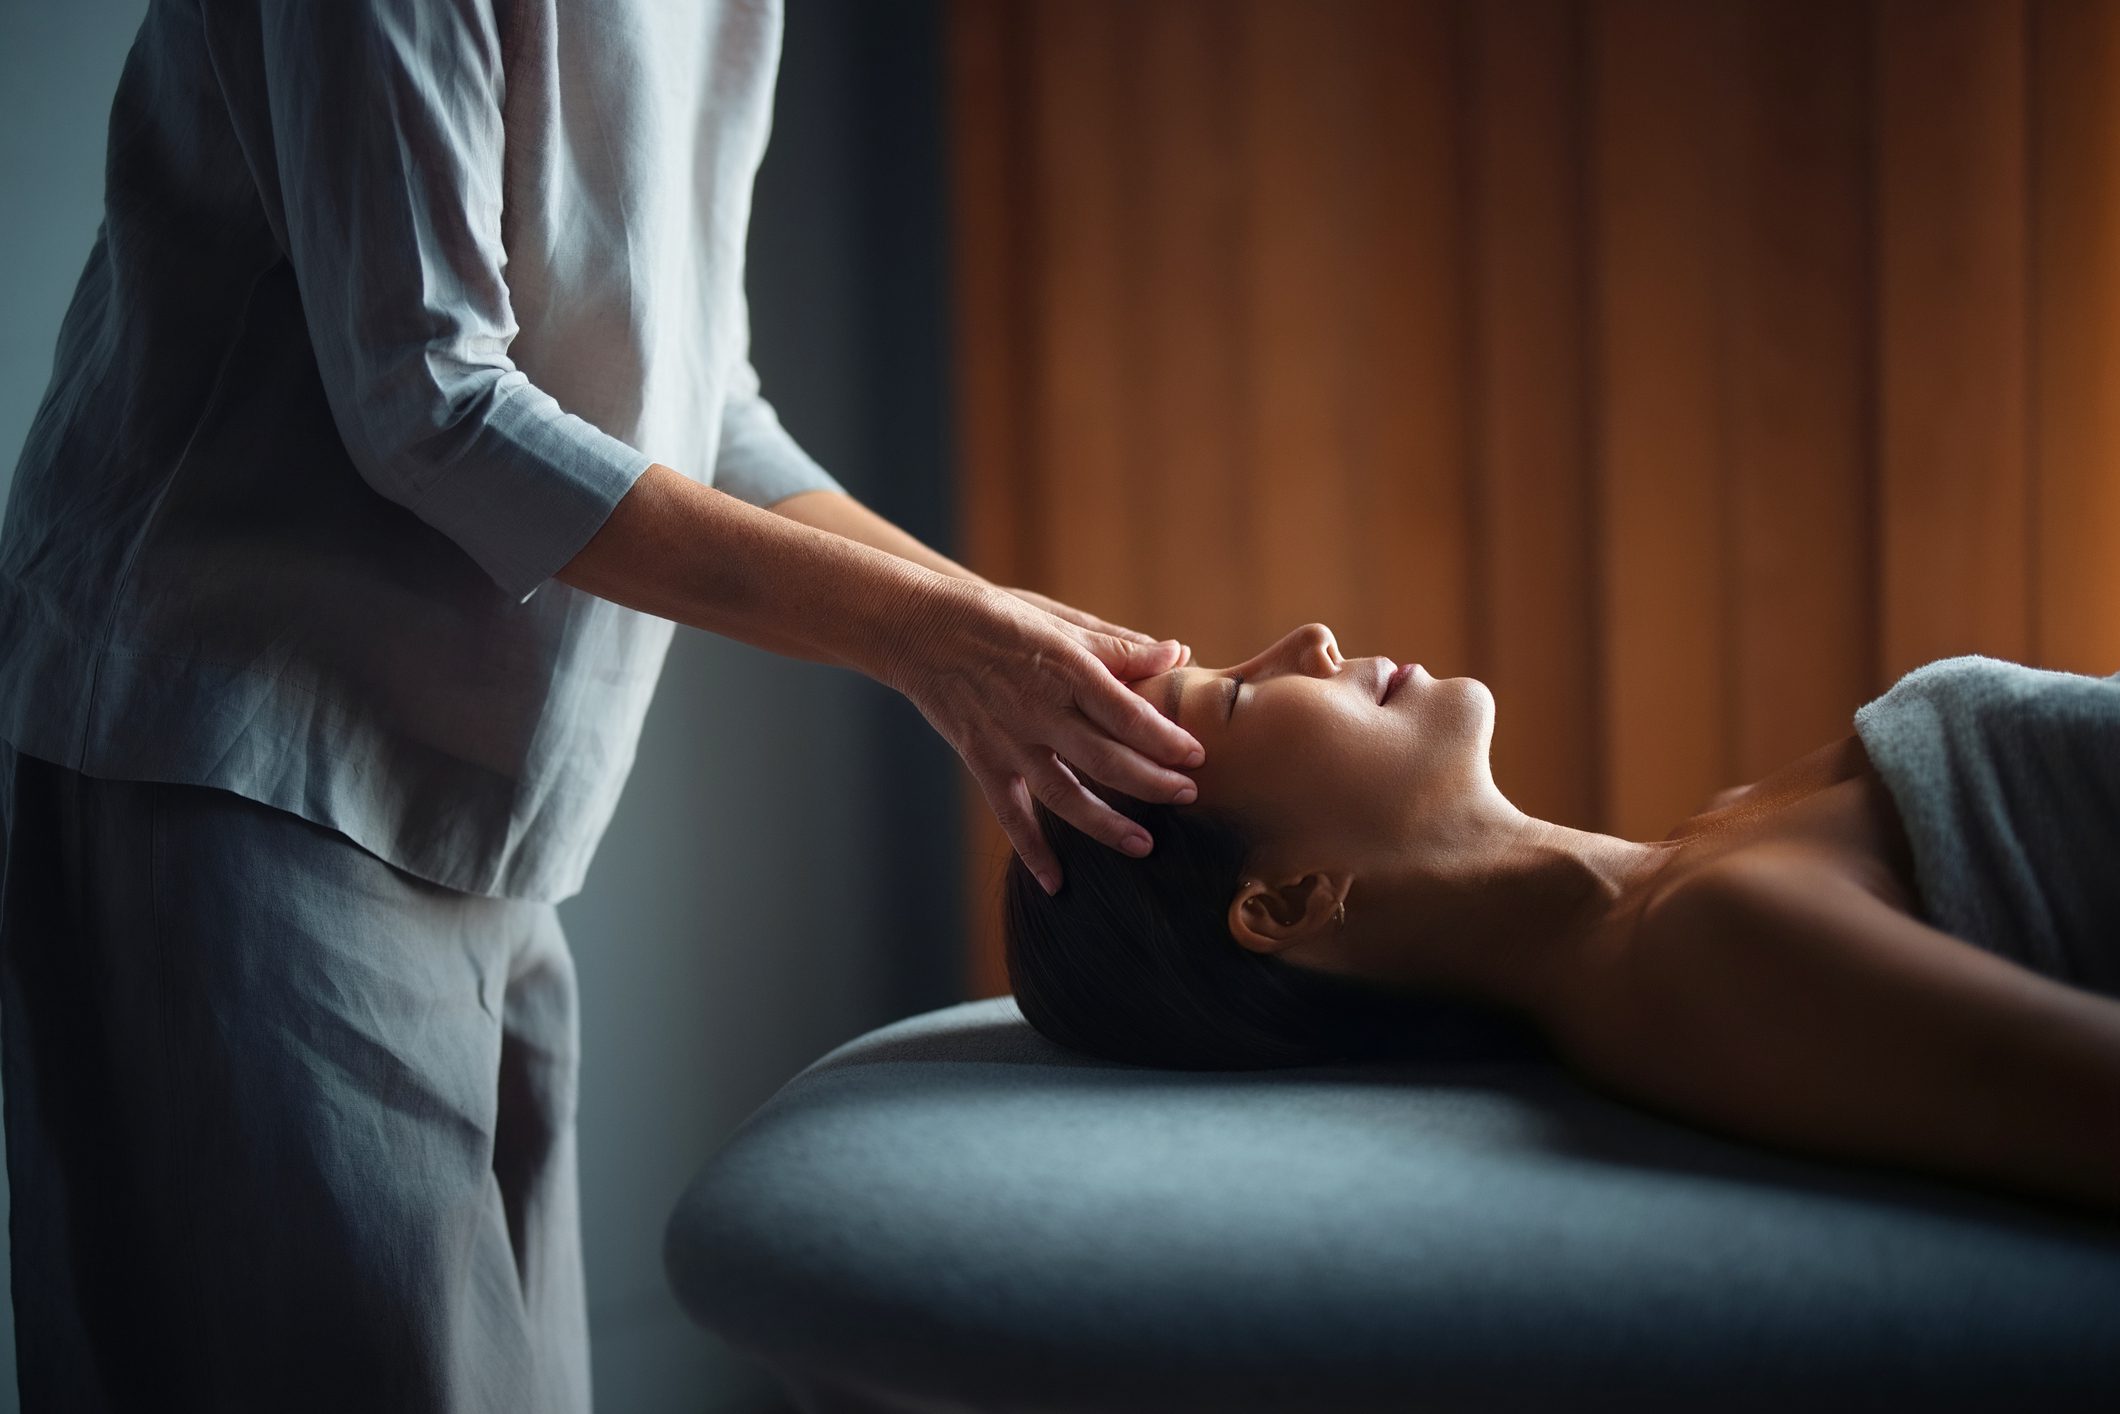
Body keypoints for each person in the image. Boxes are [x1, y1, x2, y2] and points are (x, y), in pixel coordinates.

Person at [0, 2, 1204, 1410]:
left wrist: (999, 631)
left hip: (491, 812)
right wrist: (938, 643)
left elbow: (706, 408)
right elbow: (432, 397)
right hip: (240, 754)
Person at [1004, 623, 2120, 1220]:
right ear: (1291, 900)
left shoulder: (1711, 846)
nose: (1309, 637)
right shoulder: (1702, 944)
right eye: (1236, 696)